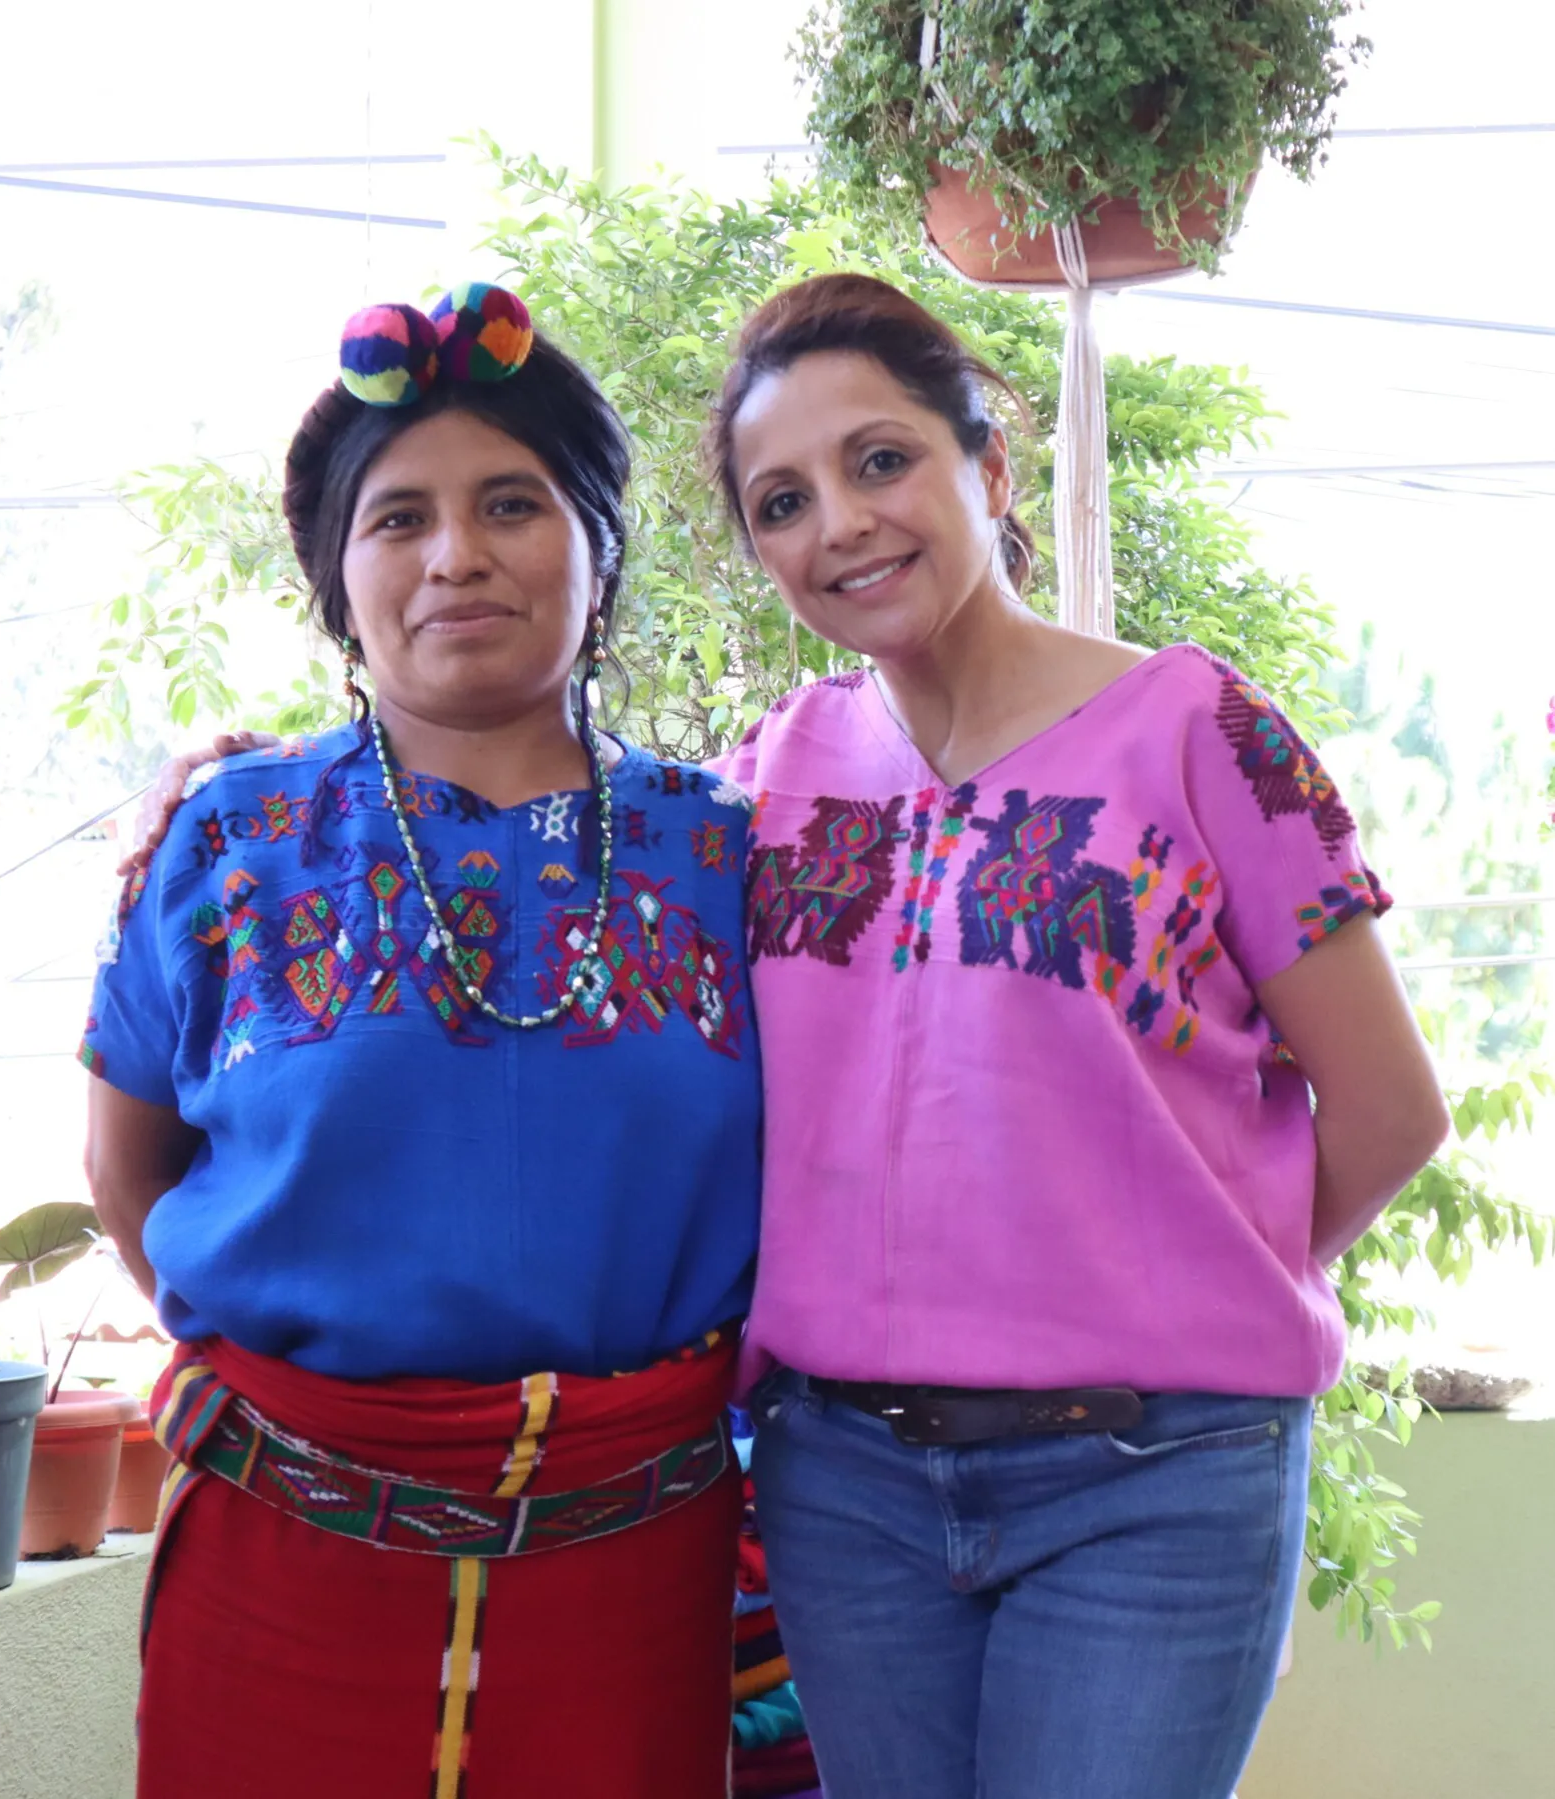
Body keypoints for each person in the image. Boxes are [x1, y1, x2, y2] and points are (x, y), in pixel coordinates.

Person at [133, 273, 1449, 1799]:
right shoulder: (769, 780)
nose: (839, 523)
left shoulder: (1199, 729)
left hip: (1148, 1476)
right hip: (851, 1487)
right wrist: (221, 778)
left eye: (880, 460)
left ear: (989, 465)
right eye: (780, 500)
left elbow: (1388, 1112)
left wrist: (1185, 1287)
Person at [81, 284, 760, 1799]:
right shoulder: (225, 840)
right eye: (397, 520)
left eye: (511, 503)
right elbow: (127, 1176)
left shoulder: (728, 856)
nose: (455, 553)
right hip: (286, 1565)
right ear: (338, 580)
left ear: (598, 549)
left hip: (636, 1570)